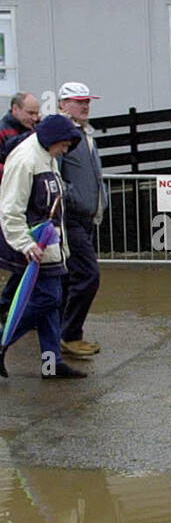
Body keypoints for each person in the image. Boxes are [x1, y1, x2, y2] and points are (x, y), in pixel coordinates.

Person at [0, 112, 86, 379]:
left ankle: (51, 363)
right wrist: (25, 243)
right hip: (33, 247)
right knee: (49, 299)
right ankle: (3, 341)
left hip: (48, 246)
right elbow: (10, 208)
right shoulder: (26, 160)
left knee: (50, 307)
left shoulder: (46, 157)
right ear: (54, 140)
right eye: (64, 145)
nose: (65, 151)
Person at [54, 82, 107, 360]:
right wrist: (74, 198)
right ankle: (69, 334)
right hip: (71, 218)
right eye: (78, 101)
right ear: (63, 104)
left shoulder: (86, 133)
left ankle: (61, 334)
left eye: (87, 101)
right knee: (88, 275)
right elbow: (55, 173)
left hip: (87, 217)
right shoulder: (63, 134)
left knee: (70, 278)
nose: (85, 106)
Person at [0, 90, 39, 160]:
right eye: (31, 113)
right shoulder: (2, 131)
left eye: (37, 113)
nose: (35, 118)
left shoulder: (35, 127)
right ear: (15, 109)